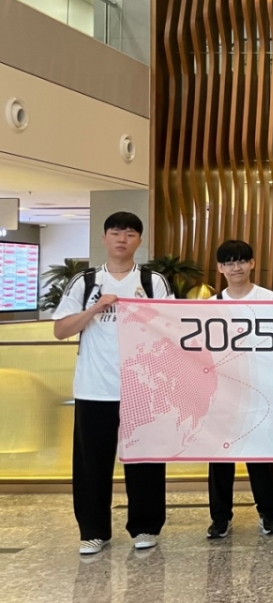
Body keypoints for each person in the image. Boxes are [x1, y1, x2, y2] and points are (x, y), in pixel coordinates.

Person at [54, 212, 174, 555]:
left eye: (130, 234)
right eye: (116, 233)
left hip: (143, 388)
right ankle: (93, 531)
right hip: (94, 388)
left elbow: (172, 327)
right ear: (104, 238)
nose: (123, 239)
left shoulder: (152, 282)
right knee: (91, 464)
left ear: (140, 241)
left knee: (146, 461)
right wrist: (95, 309)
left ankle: (146, 527)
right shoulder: (86, 282)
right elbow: (61, 330)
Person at [205, 240, 273, 539]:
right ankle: (220, 518)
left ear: (252, 263)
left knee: (260, 455)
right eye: (229, 262)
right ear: (220, 268)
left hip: (258, 389)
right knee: (220, 458)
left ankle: (269, 514)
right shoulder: (211, 306)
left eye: (241, 261)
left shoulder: (269, 299)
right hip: (222, 393)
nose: (235, 267)